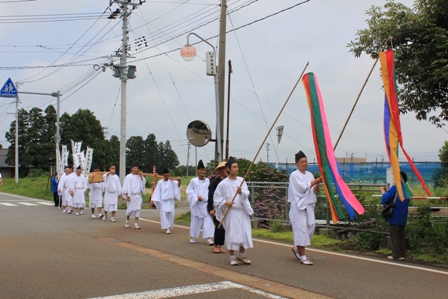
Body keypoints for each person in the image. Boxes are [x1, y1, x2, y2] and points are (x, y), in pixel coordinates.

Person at [213, 157, 253, 266]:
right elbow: (216, 198)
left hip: (242, 211)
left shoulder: (241, 181)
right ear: (228, 169)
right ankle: (232, 257)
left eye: (237, 167)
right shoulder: (223, 183)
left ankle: (241, 255)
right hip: (232, 212)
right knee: (232, 234)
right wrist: (226, 203)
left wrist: (241, 192)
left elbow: (247, 192)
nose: (236, 169)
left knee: (244, 233)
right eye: (234, 167)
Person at [288, 150, 322, 265]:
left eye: (306, 161)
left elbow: (310, 190)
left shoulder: (309, 175)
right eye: (302, 161)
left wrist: (315, 187)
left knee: (310, 229)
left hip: (308, 206)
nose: (305, 163)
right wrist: (314, 182)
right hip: (298, 207)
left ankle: (297, 247)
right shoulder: (294, 175)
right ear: (297, 163)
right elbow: (301, 189)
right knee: (301, 231)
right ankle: (303, 256)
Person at [380, 171, 410, 261]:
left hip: (394, 214)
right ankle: (401, 254)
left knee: (395, 235)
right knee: (401, 234)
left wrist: (383, 191)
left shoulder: (395, 188)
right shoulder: (406, 189)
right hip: (403, 215)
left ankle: (395, 254)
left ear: (400, 179)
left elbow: (385, 198)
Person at [187, 160, 214, 245]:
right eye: (201, 170)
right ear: (197, 171)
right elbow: (189, 191)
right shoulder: (193, 181)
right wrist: (195, 197)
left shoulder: (207, 181)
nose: (203, 171)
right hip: (197, 204)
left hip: (205, 204)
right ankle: (192, 236)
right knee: (195, 221)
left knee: (208, 221)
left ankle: (209, 238)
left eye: (204, 170)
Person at [151, 168, 181, 234]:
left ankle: (169, 226)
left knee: (171, 214)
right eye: (165, 174)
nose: (167, 175)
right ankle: (167, 228)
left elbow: (178, 186)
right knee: (164, 214)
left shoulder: (172, 181)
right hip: (163, 201)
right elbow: (157, 192)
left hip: (170, 201)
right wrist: (155, 200)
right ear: (163, 175)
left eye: (168, 174)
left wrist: (179, 181)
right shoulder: (160, 182)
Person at [208, 160, 228, 253]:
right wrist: (211, 209)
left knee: (223, 227)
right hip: (216, 208)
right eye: (225, 169)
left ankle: (219, 245)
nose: (227, 171)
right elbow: (211, 197)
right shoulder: (215, 182)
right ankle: (215, 245)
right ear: (221, 171)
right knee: (218, 226)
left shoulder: (228, 182)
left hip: (225, 208)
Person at [122, 162, 146, 229]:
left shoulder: (140, 176)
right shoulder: (128, 177)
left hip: (138, 195)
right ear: (131, 169)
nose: (136, 169)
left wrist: (141, 177)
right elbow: (125, 186)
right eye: (135, 168)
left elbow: (143, 182)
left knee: (138, 209)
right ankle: (127, 221)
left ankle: (136, 223)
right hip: (131, 195)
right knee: (130, 210)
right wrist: (127, 195)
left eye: (137, 168)